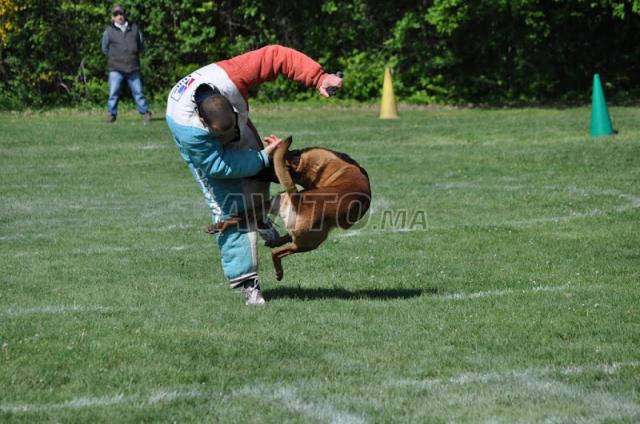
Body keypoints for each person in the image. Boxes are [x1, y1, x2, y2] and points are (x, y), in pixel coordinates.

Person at [165, 45, 342, 305]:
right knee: (229, 207)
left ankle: (259, 217)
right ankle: (248, 283)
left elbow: (275, 55)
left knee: (260, 176)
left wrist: (318, 77)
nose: (233, 139)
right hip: (207, 150)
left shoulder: (232, 75)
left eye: (233, 130)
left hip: (225, 117)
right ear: (205, 124)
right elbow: (218, 165)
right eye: (226, 136)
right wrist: (260, 156)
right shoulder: (190, 130)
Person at [101, 5, 151, 124]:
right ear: (113, 17)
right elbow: (104, 48)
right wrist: (114, 57)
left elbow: (141, 46)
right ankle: (111, 114)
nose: (119, 16)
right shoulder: (108, 31)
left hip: (133, 66)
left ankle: (145, 113)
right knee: (113, 93)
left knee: (138, 92)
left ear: (124, 15)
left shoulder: (134, 28)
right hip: (115, 68)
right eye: (116, 14)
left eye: (121, 14)